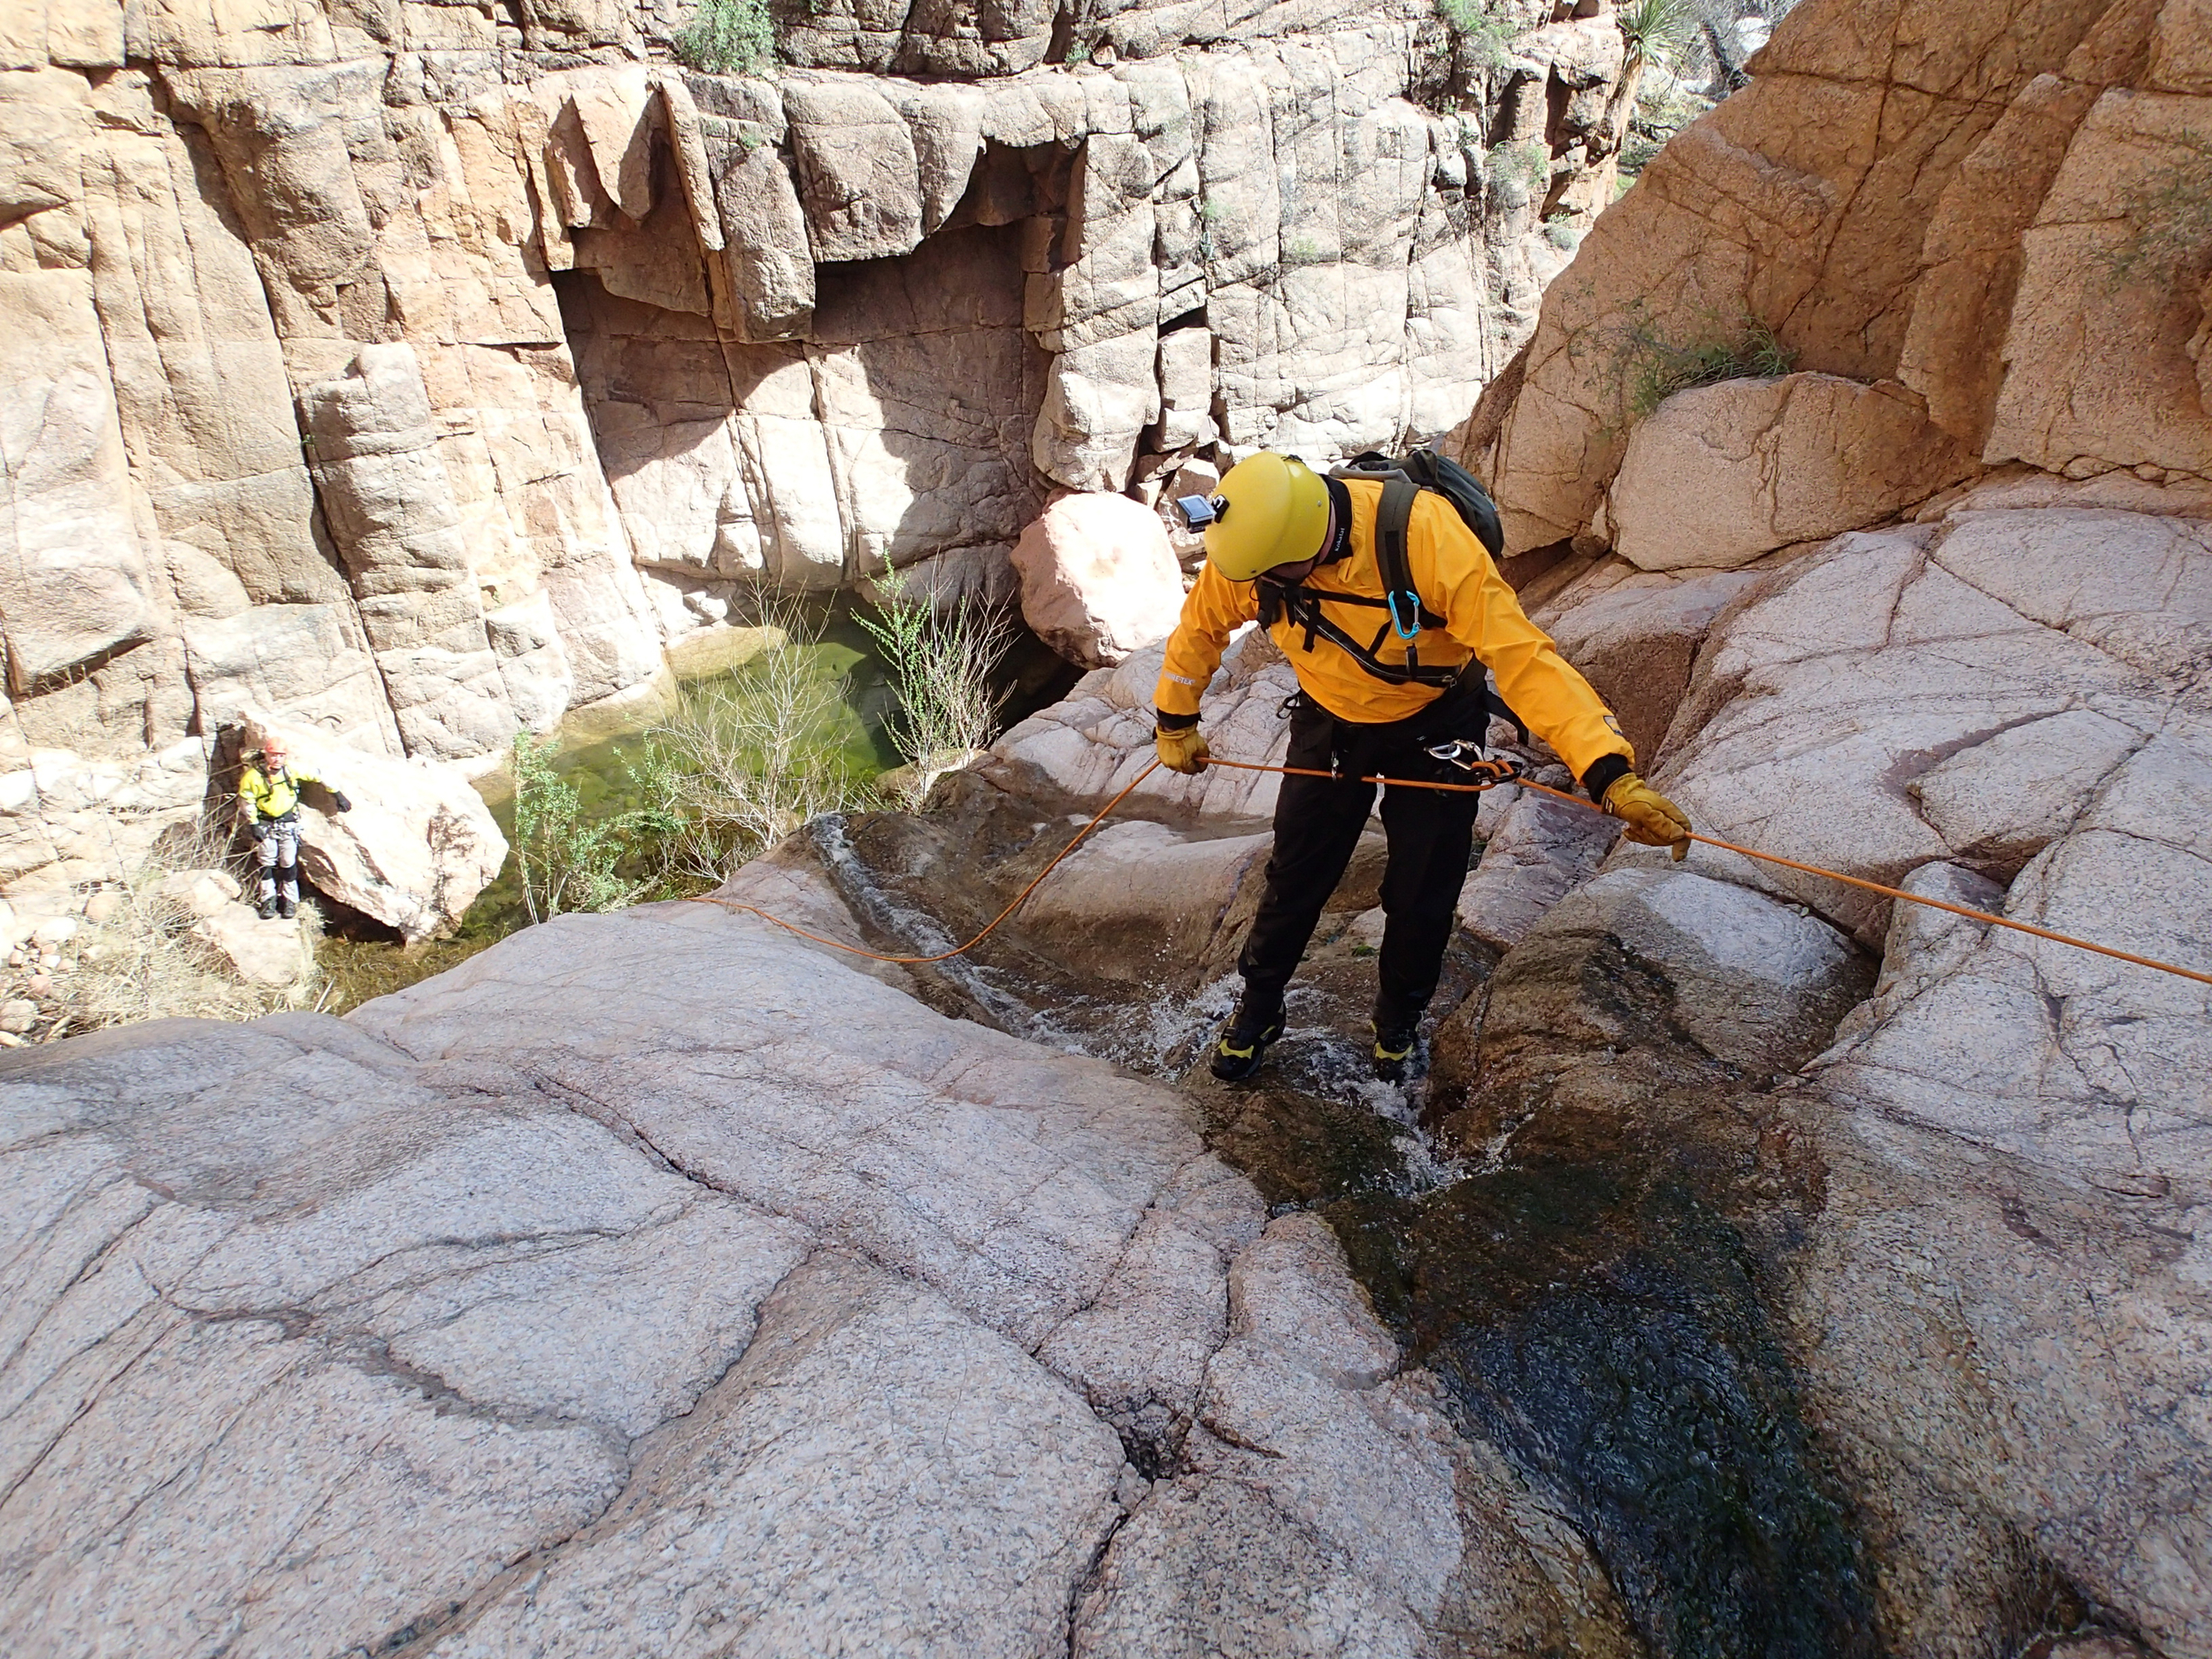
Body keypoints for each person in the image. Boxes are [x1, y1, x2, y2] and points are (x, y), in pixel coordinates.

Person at [1153, 451, 1692, 1083]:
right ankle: (1260, 1006)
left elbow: (1523, 657)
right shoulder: (1253, 549)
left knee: (1421, 897)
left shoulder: (1425, 537)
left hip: (1436, 725)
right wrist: (1175, 717)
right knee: (1294, 878)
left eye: (1271, 577)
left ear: (1306, 550)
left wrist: (1607, 771)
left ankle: (1396, 1025)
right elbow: (1200, 626)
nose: (1254, 588)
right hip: (1330, 725)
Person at [236, 737, 350, 920]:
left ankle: (290, 900)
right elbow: (247, 800)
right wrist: (253, 823)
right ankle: (268, 899)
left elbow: (318, 775)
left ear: (285, 756)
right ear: (267, 755)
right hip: (266, 824)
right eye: (273, 755)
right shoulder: (253, 777)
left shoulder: (291, 770)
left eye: (280, 755)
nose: (277, 759)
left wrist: (336, 793)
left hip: (288, 823)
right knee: (266, 863)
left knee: (288, 863)